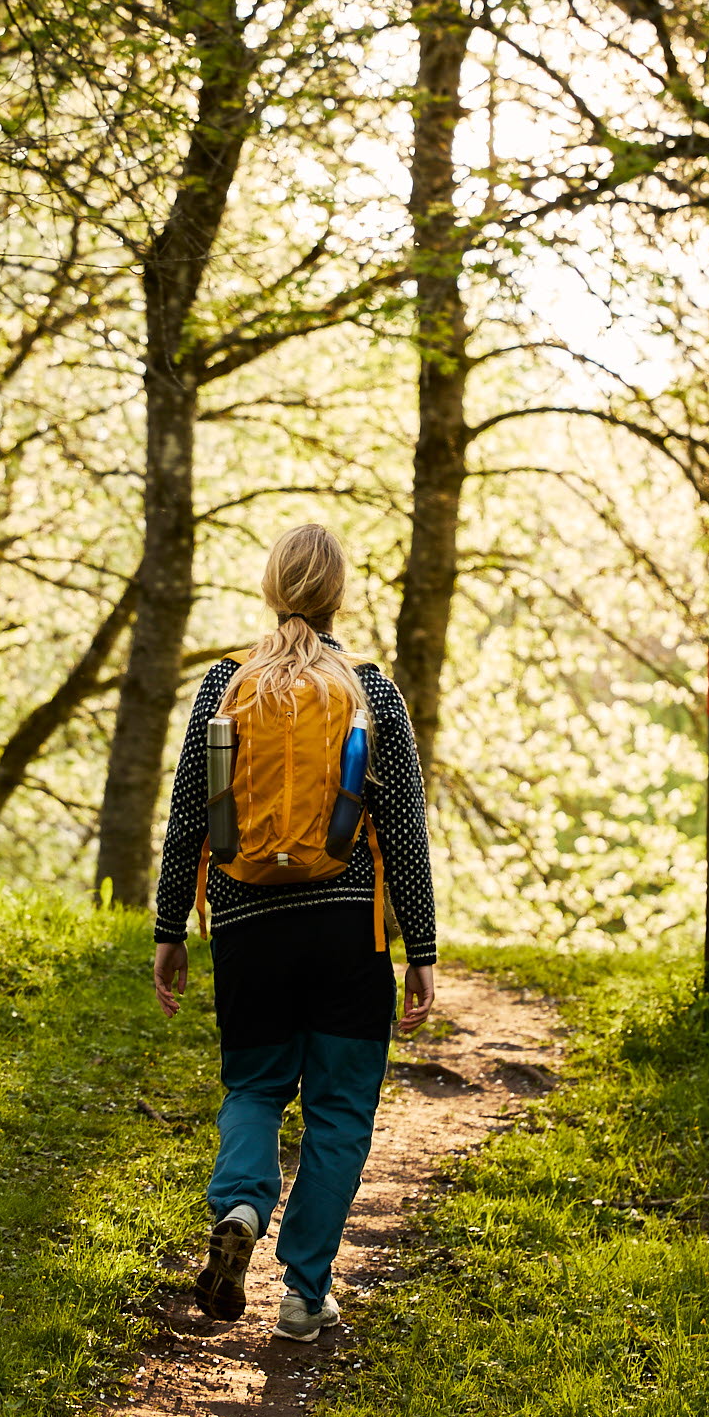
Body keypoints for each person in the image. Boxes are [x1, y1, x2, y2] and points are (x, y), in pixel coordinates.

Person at [150, 523, 436, 1341]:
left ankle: (241, 1199)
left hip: (247, 926)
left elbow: (187, 820)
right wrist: (421, 948)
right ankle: (304, 1294)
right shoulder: (371, 691)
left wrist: (171, 927)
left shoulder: (221, 687)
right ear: (338, 593)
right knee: (339, 1113)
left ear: (271, 588)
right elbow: (405, 836)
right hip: (347, 934)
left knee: (254, 1087)